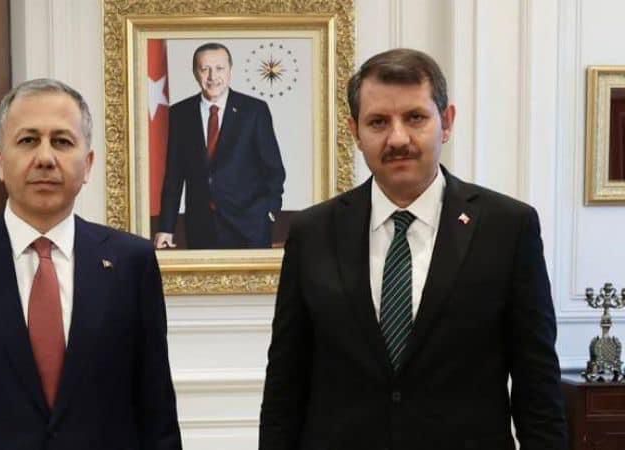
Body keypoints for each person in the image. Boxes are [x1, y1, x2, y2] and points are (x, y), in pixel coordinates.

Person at [259, 48, 567, 449]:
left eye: (415, 118)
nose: (398, 138)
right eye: (378, 122)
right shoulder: (312, 232)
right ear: (355, 132)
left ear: (447, 122)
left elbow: (537, 384)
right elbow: (285, 384)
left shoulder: (508, 227)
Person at [0, 79, 182, 449]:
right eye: (28, 140)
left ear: (88, 164)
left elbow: (157, 416)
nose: (45, 157)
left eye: (62, 141)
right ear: (1, 162)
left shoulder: (131, 263)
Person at [154, 42, 286, 250]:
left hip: (249, 227)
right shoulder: (180, 114)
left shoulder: (254, 111)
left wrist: (268, 212)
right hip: (201, 227)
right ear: (195, 73)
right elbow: (174, 176)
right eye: (205, 69)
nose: (212, 76)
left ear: (230, 71)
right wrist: (166, 227)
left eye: (219, 68)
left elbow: (274, 170)